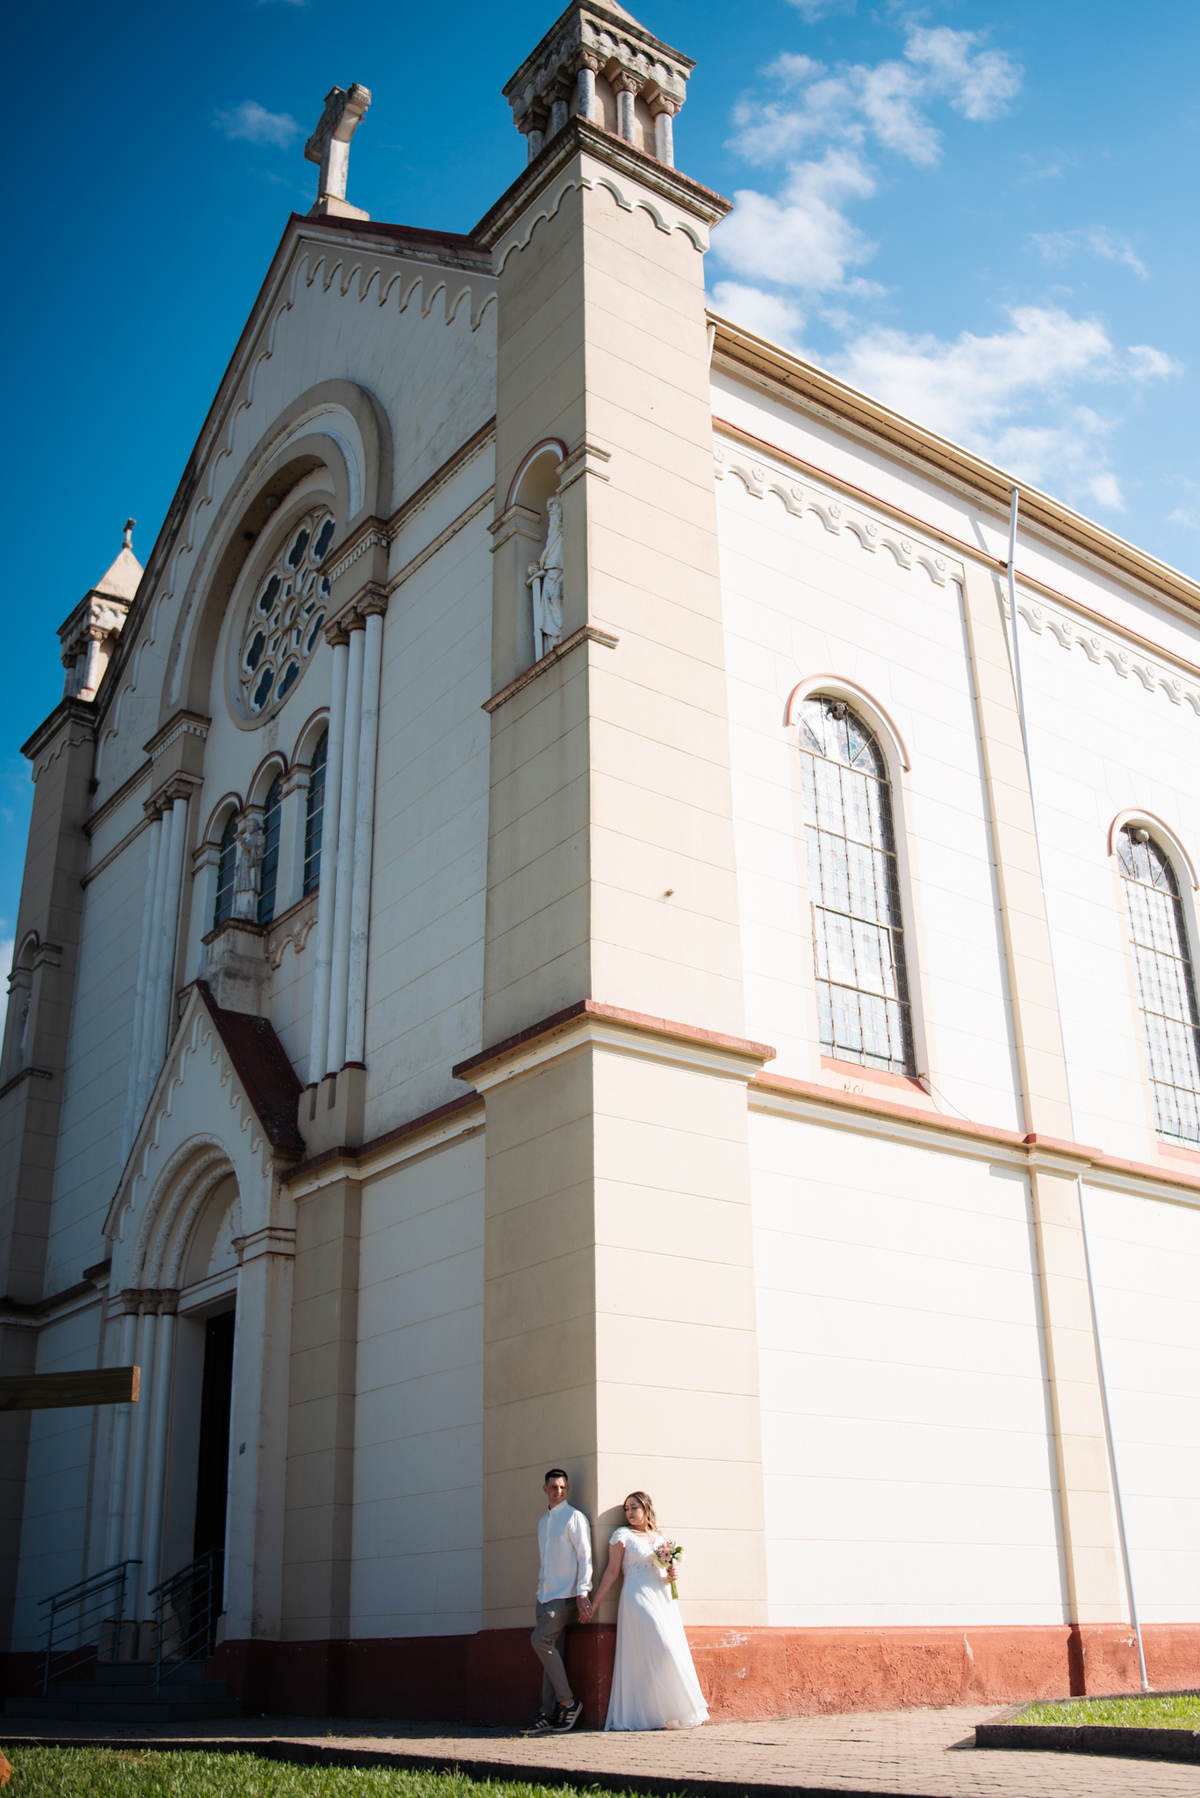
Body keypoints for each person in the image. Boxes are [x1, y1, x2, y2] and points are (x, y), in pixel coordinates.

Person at [582, 1490, 708, 1732]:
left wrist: (671, 1574)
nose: (629, 1512)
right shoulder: (622, 1535)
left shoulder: (661, 1537)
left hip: (662, 1597)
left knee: (668, 1648)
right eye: (626, 1508)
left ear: (646, 1508)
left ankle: (660, 1712)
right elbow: (612, 1571)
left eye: (634, 1507)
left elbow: (664, 1569)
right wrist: (596, 1602)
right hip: (636, 1595)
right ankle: (645, 1710)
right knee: (663, 1645)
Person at [527, 1467, 592, 1735]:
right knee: (551, 1653)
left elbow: (585, 1556)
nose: (559, 1492)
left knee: (540, 1641)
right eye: (554, 1487)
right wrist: (540, 1591)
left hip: (564, 1597)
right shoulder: (543, 1522)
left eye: (563, 1487)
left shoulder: (574, 1517)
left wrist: (583, 1591)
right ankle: (548, 1712)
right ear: (545, 1489)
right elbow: (546, 1562)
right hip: (544, 1596)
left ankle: (568, 1703)